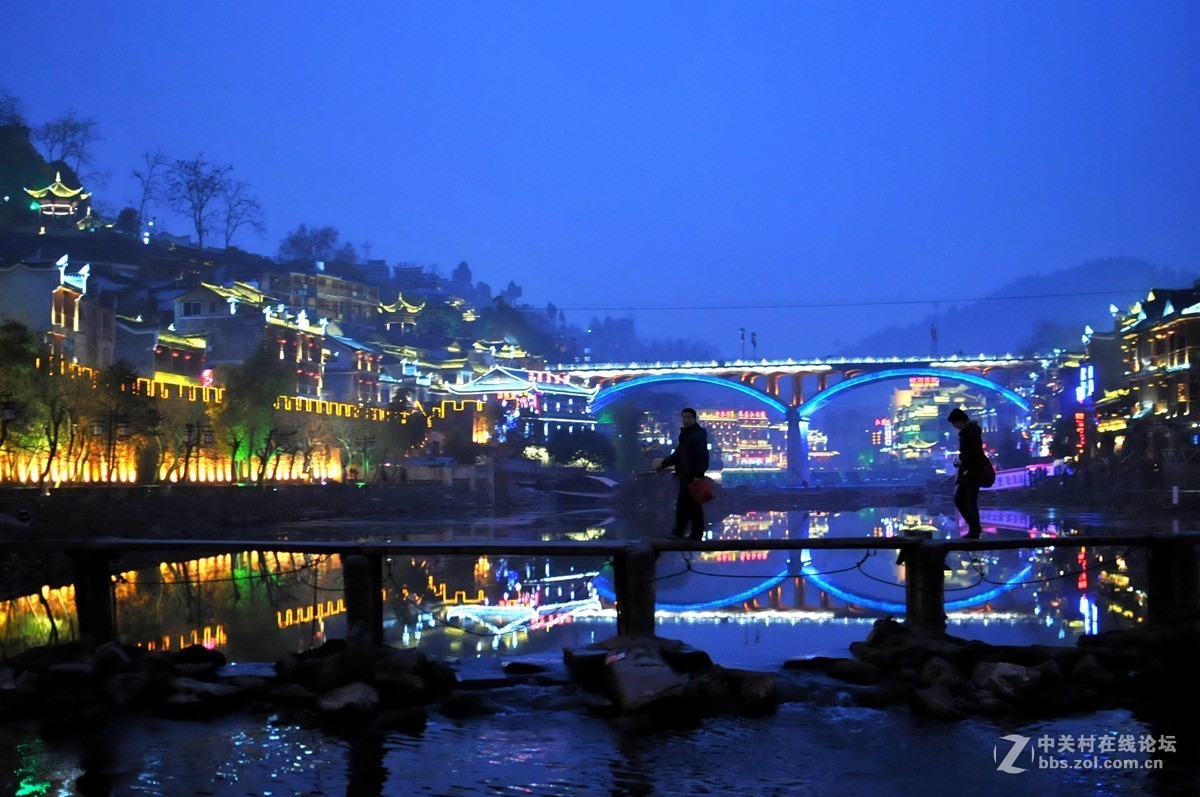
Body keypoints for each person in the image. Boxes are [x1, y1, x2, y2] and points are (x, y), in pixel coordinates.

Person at [656, 407, 710, 539]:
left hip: (692, 477)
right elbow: (679, 454)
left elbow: (702, 455)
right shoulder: (686, 435)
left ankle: (691, 534)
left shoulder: (697, 435)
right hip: (685, 475)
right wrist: (664, 463)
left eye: (689, 417)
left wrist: (698, 474)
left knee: (691, 506)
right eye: (684, 417)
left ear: (694, 419)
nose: (686, 420)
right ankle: (682, 533)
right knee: (685, 506)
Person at [948, 407, 985, 538]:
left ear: (960, 420)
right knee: (961, 500)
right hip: (969, 472)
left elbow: (973, 453)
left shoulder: (970, 433)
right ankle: (975, 528)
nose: (955, 427)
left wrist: (961, 462)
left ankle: (975, 530)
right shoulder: (969, 432)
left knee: (968, 502)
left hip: (972, 473)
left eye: (954, 424)